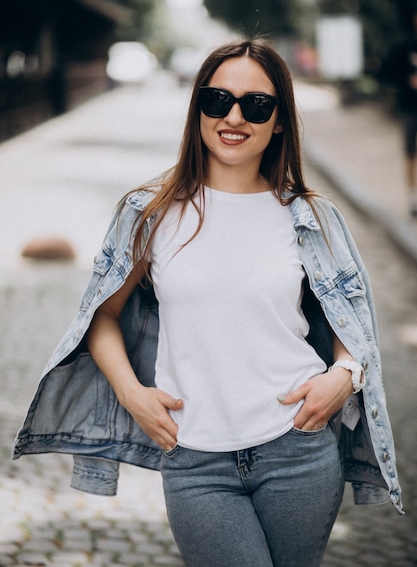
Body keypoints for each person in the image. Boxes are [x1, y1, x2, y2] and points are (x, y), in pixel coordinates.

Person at [14, 39, 403, 567]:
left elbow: (349, 323)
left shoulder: (310, 218)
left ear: (281, 121)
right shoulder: (149, 214)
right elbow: (101, 316)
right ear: (198, 109)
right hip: (195, 460)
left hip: (298, 451)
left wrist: (344, 374)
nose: (234, 116)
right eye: (217, 100)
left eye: (257, 105)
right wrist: (133, 395)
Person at [382, 12, 417, 218]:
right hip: (409, 108)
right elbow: (387, 72)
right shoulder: (404, 47)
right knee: (410, 153)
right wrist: (407, 80)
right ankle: (412, 197)